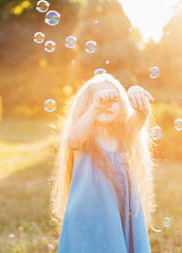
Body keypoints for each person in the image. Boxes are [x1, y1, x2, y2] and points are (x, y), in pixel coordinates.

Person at [50, 73, 157, 253]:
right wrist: (95, 108)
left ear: (122, 105)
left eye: (113, 99)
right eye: (100, 99)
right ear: (87, 106)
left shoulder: (123, 135)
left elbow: (142, 114)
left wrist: (134, 91)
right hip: (90, 218)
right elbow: (73, 140)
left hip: (120, 215)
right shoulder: (84, 138)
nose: (107, 104)